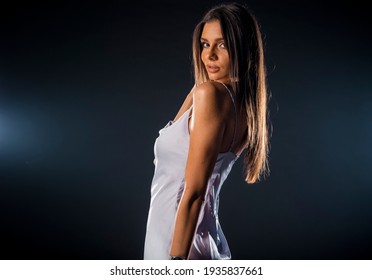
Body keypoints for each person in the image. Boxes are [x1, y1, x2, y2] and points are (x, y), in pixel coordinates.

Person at [144, 2, 270, 260]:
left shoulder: (210, 95)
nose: (209, 55)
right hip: (204, 241)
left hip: (177, 243)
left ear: (243, 49)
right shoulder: (243, 105)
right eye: (204, 44)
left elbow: (194, 192)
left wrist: (176, 261)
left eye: (222, 45)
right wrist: (197, 88)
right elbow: (165, 149)